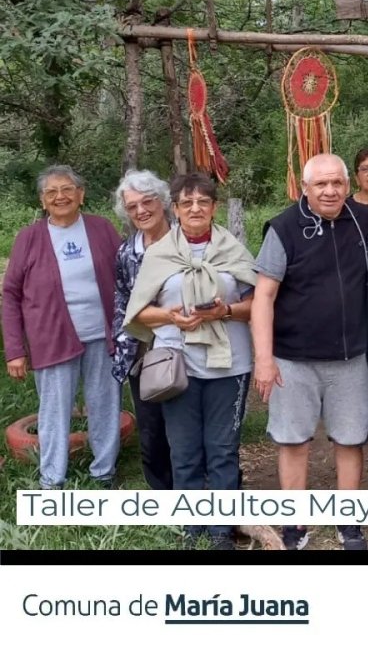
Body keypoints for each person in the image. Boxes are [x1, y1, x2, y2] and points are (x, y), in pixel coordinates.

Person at [124, 172, 257, 549]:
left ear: (214, 208)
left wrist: (226, 310)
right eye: (187, 203)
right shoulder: (159, 253)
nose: (195, 208)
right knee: (183, 451)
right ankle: (190, 529)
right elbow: (139, 313)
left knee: (222, 450)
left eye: (203, 202)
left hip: (229, 365)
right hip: (176, 366)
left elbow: (257, 305)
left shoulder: (234, 251)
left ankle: (220, 532)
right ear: (176, 209)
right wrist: (171, 316)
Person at [252, 153, 368, 552]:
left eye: (336, 183)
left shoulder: (366, 219)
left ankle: (349, 523)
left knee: (350, 439)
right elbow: (263, 297)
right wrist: (264, 359)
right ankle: (294, 524)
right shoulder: (284, 228)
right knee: (292, 441)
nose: (329, 190)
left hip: (350, 357)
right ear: (304, 188)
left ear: (347, 184)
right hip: (293, 358)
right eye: (320, 184)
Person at [2, 165, 123, 490]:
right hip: (51, 340)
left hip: (103, 337)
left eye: (68, 189)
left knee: (105, 405)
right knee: (54, 411)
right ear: (43, 201)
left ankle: (104, 472)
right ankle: (52, 480)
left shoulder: (101, 229)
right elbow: (11, 295)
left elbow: (127, 276)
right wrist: (15, 350)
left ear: (80, 195)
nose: (61, 196)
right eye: (52, 192)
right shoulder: (29, 238)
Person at [111, 169, 174, 490]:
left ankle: (203, 494)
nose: (141, 211)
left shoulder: (187, 241)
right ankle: (162, 497)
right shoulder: (126, 252)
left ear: (162, 202)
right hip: (144, 355)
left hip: (189, 350)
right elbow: (121, 301)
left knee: (189, 428)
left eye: (147, 202)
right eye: (132, 206)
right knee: (151, 430)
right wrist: (122, 349)